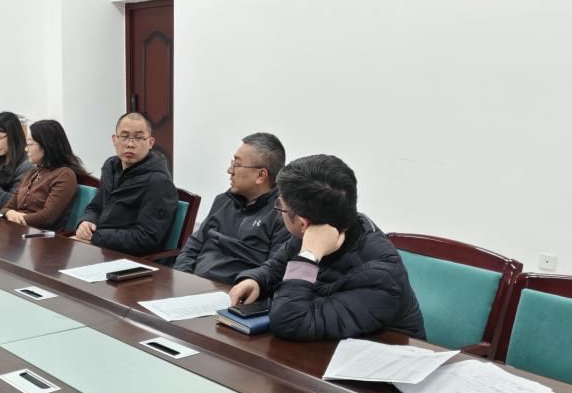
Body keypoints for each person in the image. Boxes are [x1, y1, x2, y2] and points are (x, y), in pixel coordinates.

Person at [228, 154, 426, 341]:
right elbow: (275, 268)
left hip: (382, 358)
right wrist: (256, 280)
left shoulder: (381, 274)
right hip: (325, 348)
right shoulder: (325, 224)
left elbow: (290, 321)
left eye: (281, 206)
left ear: (303, 223)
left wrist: (309, 256)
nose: (279, 211)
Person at [174, 133, 290, 285]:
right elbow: (192, 247)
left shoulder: (284, 215)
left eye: (237, 164)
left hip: (234, 292)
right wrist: (182, 279)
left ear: (261, 175)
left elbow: (274, 272)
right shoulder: (223, 201)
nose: (229, 170)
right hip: (193, 284)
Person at [74, 112, 178, 256]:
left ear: (150, 143)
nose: (130, 144)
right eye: (124, 136)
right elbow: (96, 206)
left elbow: (146, 238)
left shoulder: (158, 182)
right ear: (114, 139)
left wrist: (95, 237)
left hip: (129, 258)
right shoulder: (111, 167)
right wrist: (87, 222)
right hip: (100, 248)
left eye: (139, 138)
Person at [0, 120, 87, 231]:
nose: (26, 149)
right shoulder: (31, 173)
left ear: (46, 145)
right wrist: (9, 212)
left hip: (43, 236)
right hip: (19, 229)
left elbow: (47, 218)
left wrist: (15, 217)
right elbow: (6, 207)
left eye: (30, 144)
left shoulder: (65, 174)